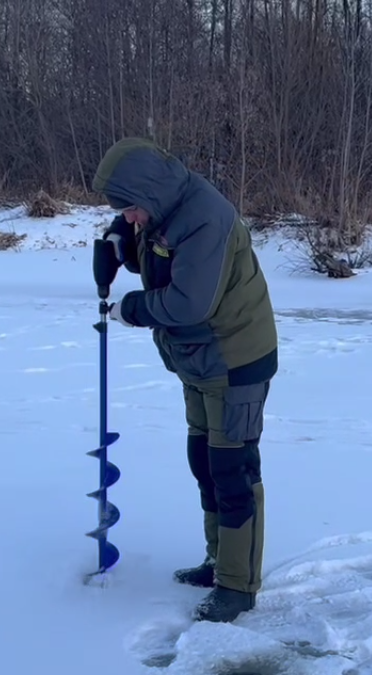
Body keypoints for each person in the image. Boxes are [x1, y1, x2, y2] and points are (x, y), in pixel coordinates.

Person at [90, 137, 278, 624]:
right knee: (204, 461)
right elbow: (154, 255)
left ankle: (238, 587)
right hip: (198, 360)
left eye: (129, 209)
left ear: (148, 193)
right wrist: (118, 239)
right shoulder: (163, 209)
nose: (130, 217)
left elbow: (188, 302)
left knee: (233, 470)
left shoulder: (205, 218)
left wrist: (132, 308)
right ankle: (219, 562)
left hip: (235, 360)